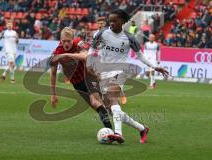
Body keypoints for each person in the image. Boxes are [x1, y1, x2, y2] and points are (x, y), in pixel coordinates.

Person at [55, 10, 169, 144]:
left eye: (114, 21)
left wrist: (154, 67)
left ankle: (118, 133)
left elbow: (140, 56)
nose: (111, 23)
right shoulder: (102, 33)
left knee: (113, 98)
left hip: (119, 72)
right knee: (112, 110)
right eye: (110, 21)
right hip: (103, 74)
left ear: (122, 21)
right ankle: (142, 128)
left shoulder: (129, 38)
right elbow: (92, 49)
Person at [49, 27, 113, 130]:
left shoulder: (78, 44)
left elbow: (86, 56)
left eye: (68, 41)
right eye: (64, 41)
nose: (66, 44)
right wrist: (53, 94)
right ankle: (113, 116)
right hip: (77, 83)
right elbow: (53, 73)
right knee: (96, 106)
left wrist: (66, 55)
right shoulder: (57, 52)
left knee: (94, 102)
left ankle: (110, 130)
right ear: (60, 40)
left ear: (73, 39)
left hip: (88, 76)